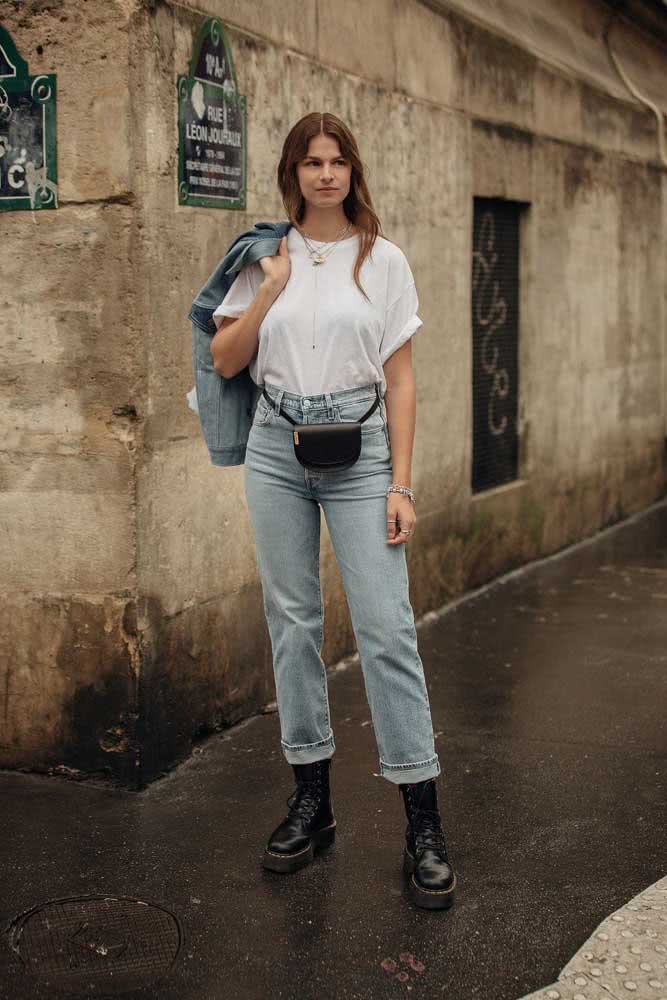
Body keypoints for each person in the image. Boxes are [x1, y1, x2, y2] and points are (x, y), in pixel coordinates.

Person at [209, 112, 456, 910]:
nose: (324, 174)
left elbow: (403, 379)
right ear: (293, 171)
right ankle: (311, 803)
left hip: (362, 454)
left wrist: (402, 483)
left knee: (386, 628)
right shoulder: (261, 256)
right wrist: (269, 291)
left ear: (352, 170)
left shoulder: (382, 261)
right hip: (277, 451)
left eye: (336, 160)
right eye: (311, 162)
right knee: (293, 623)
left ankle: (422, 819)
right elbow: (224, 357)